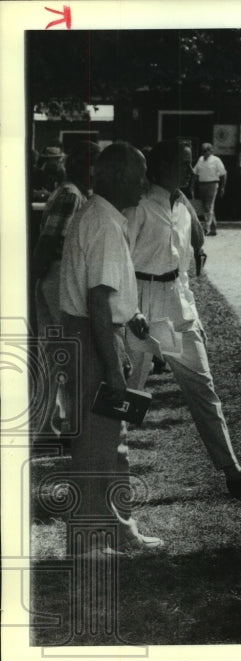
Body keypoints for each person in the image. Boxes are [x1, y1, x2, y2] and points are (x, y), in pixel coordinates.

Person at [124, 139, 241, 497]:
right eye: (181, 164)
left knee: (203, 388)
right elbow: (121, 263)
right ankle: (106, 466)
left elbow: (183, 269)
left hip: (177, 306)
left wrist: (192, 311)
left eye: (190, 164)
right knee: (127, 392)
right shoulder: (138, 207)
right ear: (157, 168)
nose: (189, 171)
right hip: (141, 306)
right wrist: (130, 311)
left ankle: (232, 470)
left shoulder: (183, 209)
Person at [58, 141, 159, 556]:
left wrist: (130, 314)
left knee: (110, 440)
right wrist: (114, 371)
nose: (144, 184)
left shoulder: (105, 217)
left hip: (98, 333)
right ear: (116, 176)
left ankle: (117, 527)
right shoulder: (101, 221)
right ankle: (87, 540)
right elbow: (99, 299)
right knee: (95, 447)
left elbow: (109, 294)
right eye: (138, 176)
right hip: (92, 336)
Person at [30, 140, 103, 440]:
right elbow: (50, 240)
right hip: (58, 274)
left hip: (54, 274)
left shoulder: (71, 193)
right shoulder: (72, 196)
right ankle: (62, 427)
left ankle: (47, 427)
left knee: (54, 355)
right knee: (66, 355)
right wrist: (36, 274)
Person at [193, 142, 227, 236]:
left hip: (212, 184)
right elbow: (196, 173)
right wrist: (192, 185)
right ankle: (213, 228)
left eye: (206, 150)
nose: (204, 153)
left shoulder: (216, 160)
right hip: (202, 184)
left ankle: (206, 227)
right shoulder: (200, 159)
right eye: (203, 151)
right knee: (206, 207)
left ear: (211, 150)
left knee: (208, 206)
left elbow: (223, 174)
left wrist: (222, 187)